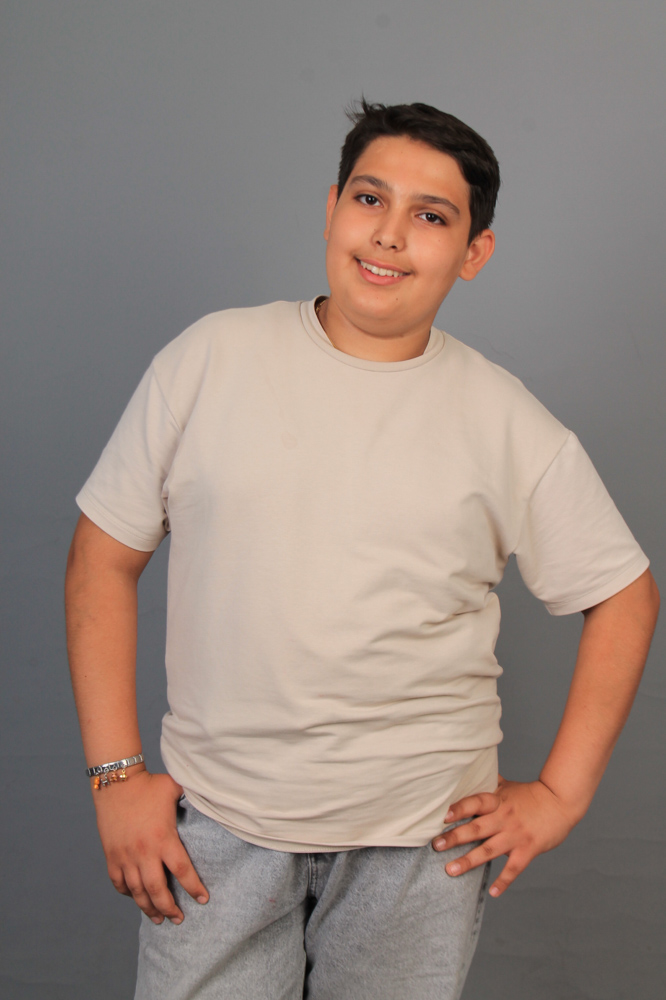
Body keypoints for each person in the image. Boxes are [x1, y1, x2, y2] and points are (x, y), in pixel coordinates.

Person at [65, 100, 659, 1000]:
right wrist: (115, 778)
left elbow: (624, 594)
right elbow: (101, 559)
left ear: (474, 253)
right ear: (332, 207)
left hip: (420, 841)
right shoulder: (211, 359)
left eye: (432, 216)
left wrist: (559, 795)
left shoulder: (505, 421)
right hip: (216, 821)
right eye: (369, 199)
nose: (389, 234)